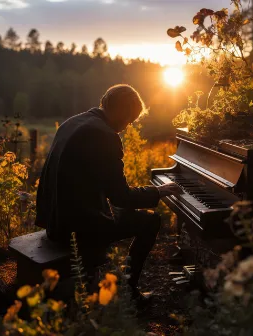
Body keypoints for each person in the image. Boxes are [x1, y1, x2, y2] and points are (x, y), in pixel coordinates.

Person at [35, 84, 182, 299]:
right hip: (75, 230)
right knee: (151, 221)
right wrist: (158, 192)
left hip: (54, 220)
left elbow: (93, 180)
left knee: (124, 214)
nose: (125, 127)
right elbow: (121, 197)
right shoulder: (104, 135)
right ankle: (129, 290)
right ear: (120, 112)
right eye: (128, 120)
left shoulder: (73, 122)